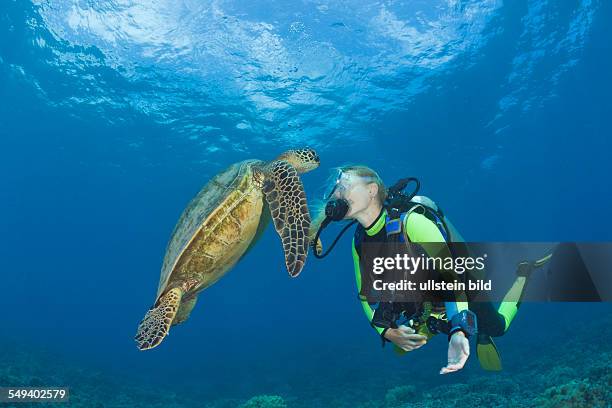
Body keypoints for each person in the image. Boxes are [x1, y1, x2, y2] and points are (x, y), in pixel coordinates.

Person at [312, 165, 549, 374]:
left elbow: (451, 273)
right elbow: (365, 297)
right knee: (404, 342)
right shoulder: (359, 240)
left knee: (498, 327)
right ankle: (435, 321)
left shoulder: (412, 222)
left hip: (461, 290)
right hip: (424, 301)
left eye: (344, 187)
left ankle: (523, 274)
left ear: (372, 190)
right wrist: (385, 332)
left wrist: (459, 329)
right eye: (337, 189)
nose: (336, 194)